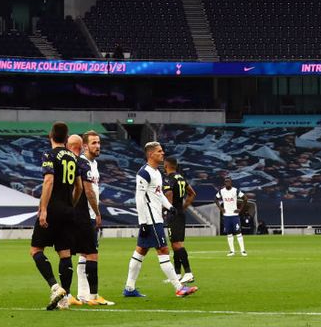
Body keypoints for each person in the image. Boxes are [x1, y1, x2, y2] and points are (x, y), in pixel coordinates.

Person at [123, 141, 198, 298]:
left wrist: (169, 206)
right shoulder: (144, 173)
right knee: (163, 250)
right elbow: (139, 198)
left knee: (140, 251)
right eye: (159, 151)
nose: (162, 153)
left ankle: (129, 288)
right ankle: (179, 287)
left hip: (156, 216)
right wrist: (142, 222)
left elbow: (158, 194)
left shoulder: (157, 172)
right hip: (150, 219)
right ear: (151, 154)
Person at [29, 122, 83, 311]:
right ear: (67, 138)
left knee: (36, 250)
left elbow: (49, 180)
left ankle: (54, 287)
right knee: (65, 254)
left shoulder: (49, 155)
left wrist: (43, 209)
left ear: (51, 135)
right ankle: (65, 298)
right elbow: (80, 187)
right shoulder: (73, 158)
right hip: (68, 210)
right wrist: (71, 205)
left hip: (52, 209)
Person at [67, 132, 112, 307]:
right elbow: (88, 191)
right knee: (92, 254)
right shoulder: (83, 163)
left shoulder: (94, 164)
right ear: (85, 146)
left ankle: (82, 294)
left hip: (88, 215)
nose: (98, 146)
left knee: (84, 254)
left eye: (99, 142)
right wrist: (97, 212)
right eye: (94, 143)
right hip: (85, 215)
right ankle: (93, 296)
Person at [163, 156, 197, 284]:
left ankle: (188, 272)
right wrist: (183, 207)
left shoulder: (169, 179)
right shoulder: (181, 177)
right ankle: (177, 274)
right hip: (180, 213)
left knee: (177, 244)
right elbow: (192, 193)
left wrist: (167, 209)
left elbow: (169, 194)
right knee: (175, 244)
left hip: (173, 214)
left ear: (166, 165)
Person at [215, 177, 246, 256]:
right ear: (224, 183)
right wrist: (221, 208)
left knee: (238, 232)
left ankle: (243, 250)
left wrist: (240, 209)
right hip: (226, 216)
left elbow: (245, 198)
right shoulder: (222, 191)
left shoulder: (235, 190)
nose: (227, 183)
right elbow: (216, 199)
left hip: (234, 215)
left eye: (228, 182)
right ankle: (232, 251)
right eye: (226, 182)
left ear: (231, 182)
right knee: (229, 233)